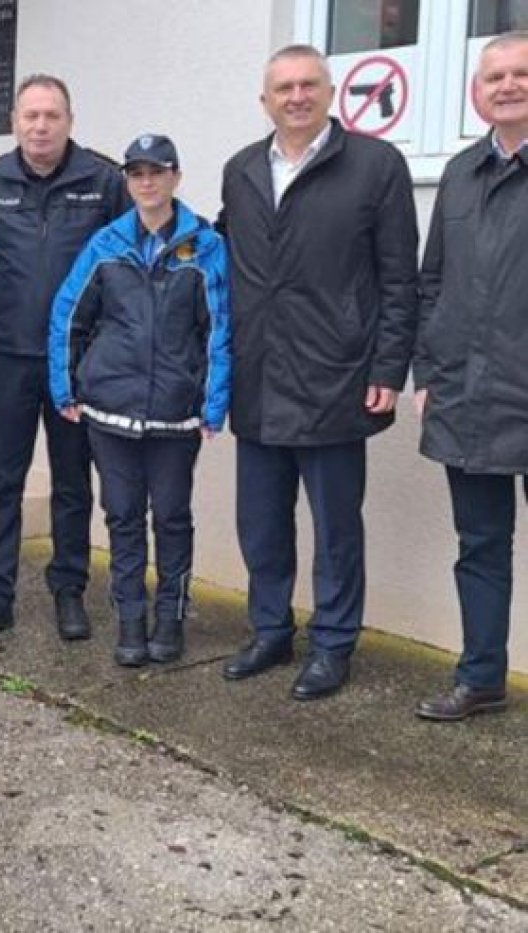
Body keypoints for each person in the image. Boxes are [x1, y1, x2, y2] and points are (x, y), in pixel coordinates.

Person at [218, 45, 418, 700]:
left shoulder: (375, 166)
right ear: (265, 101)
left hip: (337, 376)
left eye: (308, 84)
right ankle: (270, 630)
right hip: (258, 376)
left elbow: (399, 278)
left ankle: (333, 644)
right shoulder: (242, 170)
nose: (296, 96)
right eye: (284, 88)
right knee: (261, 524)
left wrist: (390, 365)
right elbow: (224, 257)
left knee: (336, 528)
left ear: (330, 92)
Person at [0, 74, 128, 647]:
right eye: (30, 116)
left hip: (75, 363)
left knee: (72, 481)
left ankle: (69, 591)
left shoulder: (103, 181)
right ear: (14, 123)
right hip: (7, 359)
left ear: (69, 122)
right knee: (0, 481)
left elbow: (127, 261)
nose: (40, 126)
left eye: (52, 115)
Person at [49, 134, 231, 667]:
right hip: (111, 410)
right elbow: (68, 315)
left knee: (171, 517)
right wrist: (65, 387)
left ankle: (170, 618)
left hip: (175, 412)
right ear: (127, 182)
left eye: (157, 172)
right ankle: (130, 620)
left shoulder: (205, 247)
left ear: (176, 177)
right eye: (137, 174)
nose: (147, 182)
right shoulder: (106, 244)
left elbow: (220, 330)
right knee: (123, 517)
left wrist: (213, 403)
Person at [413, 31, 528, 722]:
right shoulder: (460, 172)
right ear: (476, 93)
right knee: (480, 545)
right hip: (468, 394)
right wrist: (428, 371)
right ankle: (482, 676)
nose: (508, 85)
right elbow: (432, 281)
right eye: (495, 76)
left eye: (521, 73)